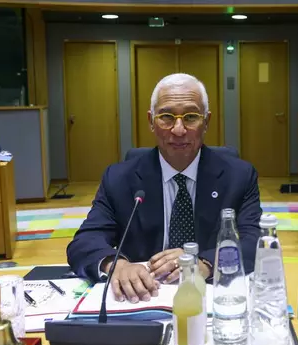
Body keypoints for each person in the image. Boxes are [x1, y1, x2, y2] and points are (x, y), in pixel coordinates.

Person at [67, 73, 263, 303]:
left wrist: (204, 264)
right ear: (151, 121)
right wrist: (116, 265)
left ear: (207, 121)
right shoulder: (119, 178)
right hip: (143, 300)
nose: (178, 130)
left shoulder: (238, 176)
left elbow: (254, 242)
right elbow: (84, 242)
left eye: (190, 117)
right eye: (166, 117)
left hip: (211, 299)